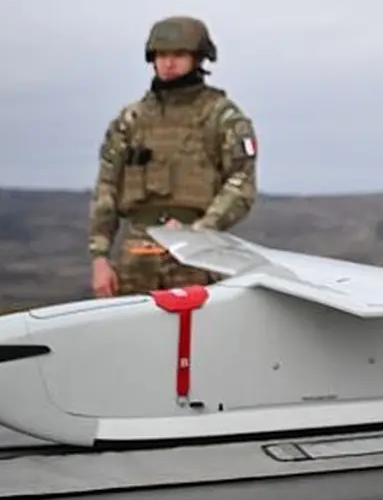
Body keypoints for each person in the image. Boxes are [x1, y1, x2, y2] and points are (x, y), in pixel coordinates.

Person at [88, 15, 260, 297]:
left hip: (197, 254)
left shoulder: (222, 117)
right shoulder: (131, 120)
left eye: (179, 55)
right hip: (137, 254)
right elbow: (106, 188)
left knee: (198, 325)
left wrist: (201, 230)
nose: (168, 63)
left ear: (198, 58)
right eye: (162, 55)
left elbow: (242, 182)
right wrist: (100, 257)